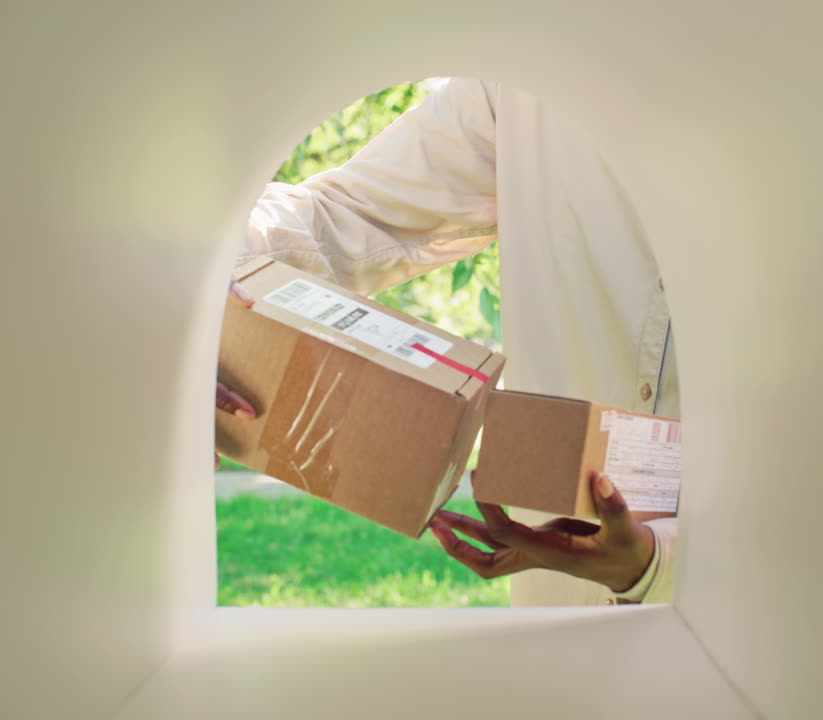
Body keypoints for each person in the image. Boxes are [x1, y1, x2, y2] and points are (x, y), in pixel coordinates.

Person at [217, 77, 679, 606]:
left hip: (738, 597)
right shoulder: (520, 88)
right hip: (563, 597)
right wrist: (198, 277)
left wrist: (663, 557)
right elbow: (350, 217)